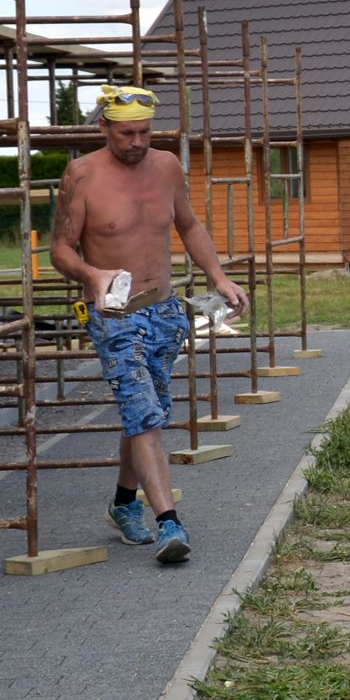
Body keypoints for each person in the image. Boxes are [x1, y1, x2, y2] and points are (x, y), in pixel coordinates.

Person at [50, 85, 248, 564]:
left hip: (163, 311)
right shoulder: (82, 175)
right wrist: (91, 274)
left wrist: (218, 277)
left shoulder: (166, 166)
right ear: (104, 126)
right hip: (114, 316)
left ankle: (123, 503)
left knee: (145, 412)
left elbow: (189, 225)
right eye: (127, 134)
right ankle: (169, 523)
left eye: (144, 132)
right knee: (143, 414)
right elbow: (60, 249)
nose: (137, 142)